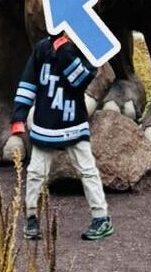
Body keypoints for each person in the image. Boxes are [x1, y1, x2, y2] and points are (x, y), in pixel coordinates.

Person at [12, 32, 113, 241]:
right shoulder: (42, 49)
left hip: (74, 122)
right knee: (36, 173)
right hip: (45, 123)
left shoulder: (85, 48)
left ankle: (101, 217)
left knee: (87, 171)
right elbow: (28, 82)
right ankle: (31, 218)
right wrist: (18, 116)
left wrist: (64, 50)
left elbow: (80, 81)